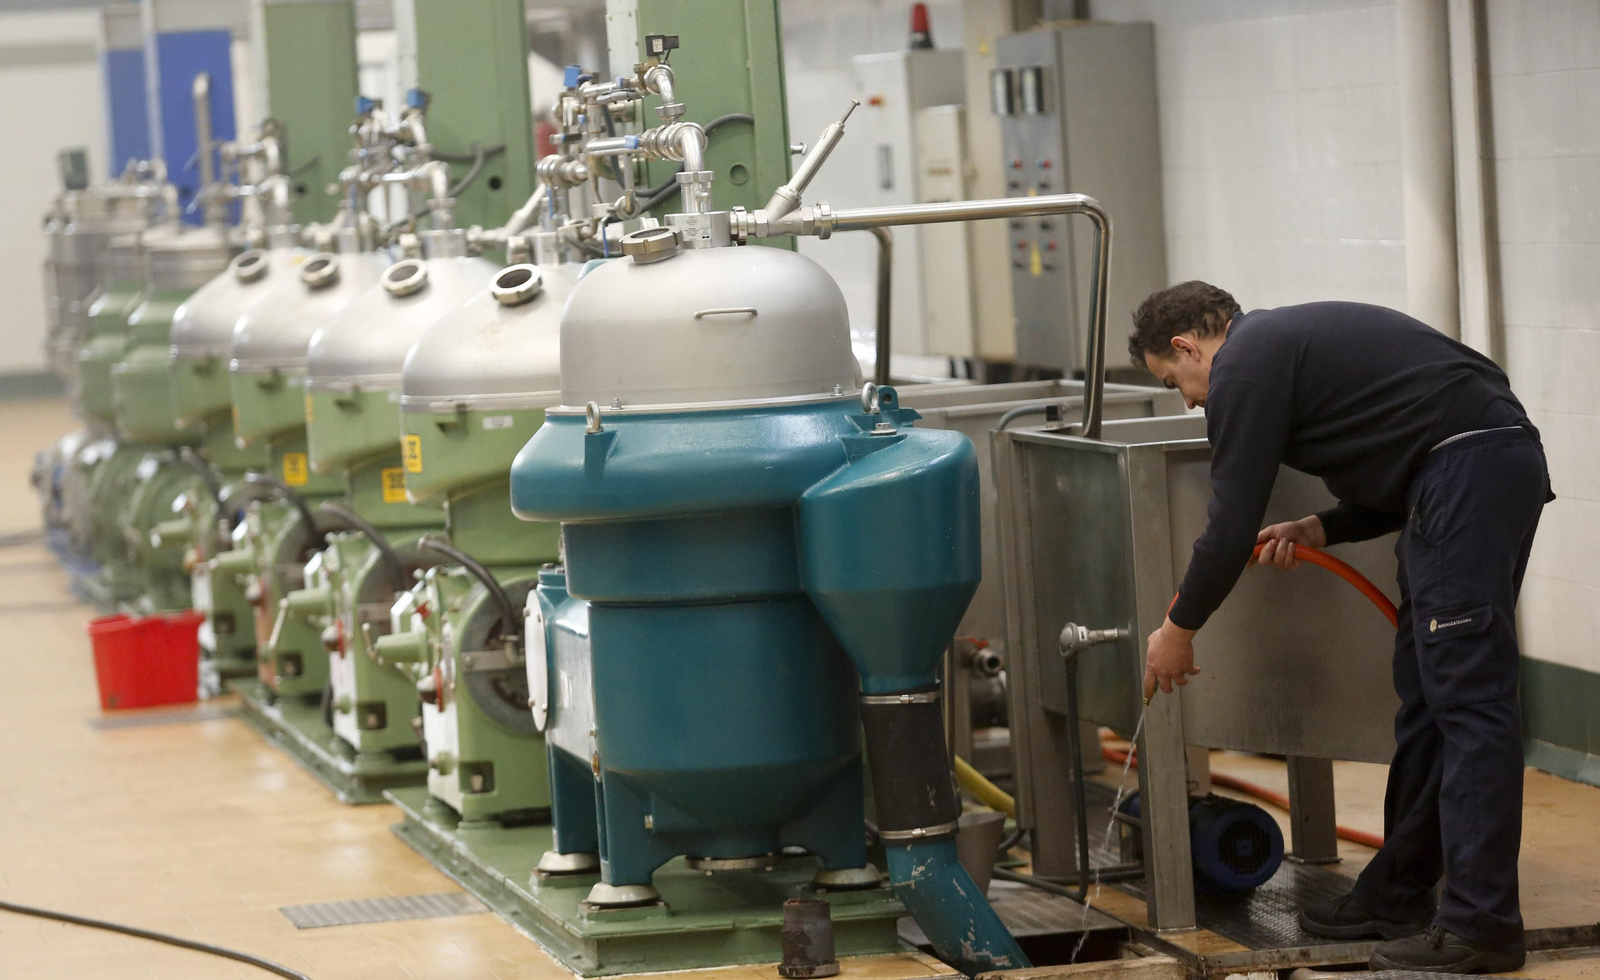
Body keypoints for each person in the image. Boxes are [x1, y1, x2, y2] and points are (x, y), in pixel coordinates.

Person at [1128, 282, 1550, 974]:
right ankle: (1400, 894)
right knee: (1428, 701)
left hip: (1467, 475)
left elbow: (1230, 523)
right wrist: (1319, 526)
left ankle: (1482, 925)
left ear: (1187, 346)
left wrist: (1178, 627)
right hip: (1465, 471)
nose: (1190, 400)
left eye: (1177, 382)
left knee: (1470, 708)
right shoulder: (1277, 348)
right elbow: (1410, 442)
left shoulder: (1245, 363)